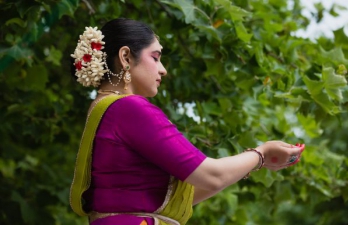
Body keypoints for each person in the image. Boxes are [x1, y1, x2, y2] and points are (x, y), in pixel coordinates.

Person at [69, 18, 305, 225]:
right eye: (156, 57)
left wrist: (254, 163)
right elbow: (212, 175)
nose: (163, 70)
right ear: (126, 57)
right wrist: (261, 153)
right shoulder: (130, 108)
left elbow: (182, 195)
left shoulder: (103, 109)